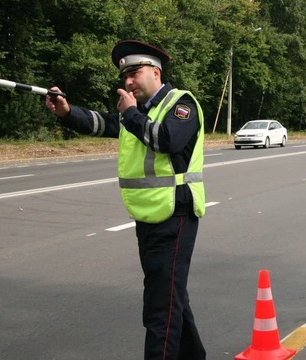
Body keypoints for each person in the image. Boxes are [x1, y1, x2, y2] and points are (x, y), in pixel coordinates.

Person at [44, 40, 207, 360]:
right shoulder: (140, 113)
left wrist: (131, 113)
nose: (128, 81)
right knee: (172, 299)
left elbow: (168, 140)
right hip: (148, 217)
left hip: (174, 215)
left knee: (161, 310)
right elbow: (102, 123)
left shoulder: (180, 103)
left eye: (135, 73)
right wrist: (66, 112)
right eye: (124, 77)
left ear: (156, 72)